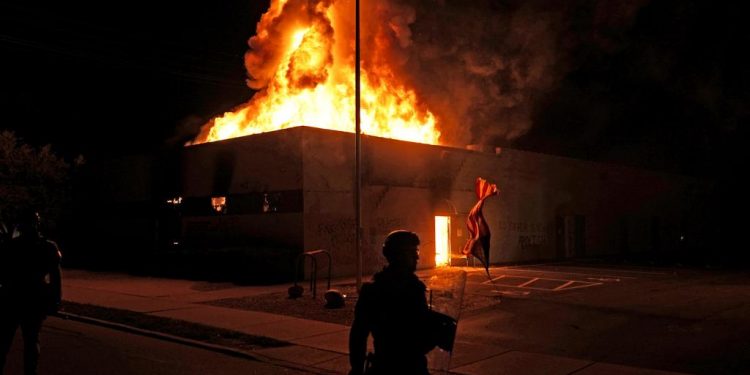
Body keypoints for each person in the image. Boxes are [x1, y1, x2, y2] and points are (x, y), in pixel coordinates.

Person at [349, 230, 434, 375]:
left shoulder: (414, 287)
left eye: (417, 251)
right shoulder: (377, 290)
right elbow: (359, 334)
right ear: (397, 255)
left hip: (405, 366)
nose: (416, 257)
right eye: (412, 252)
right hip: (392, 366)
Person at [0, 210, 62, 375]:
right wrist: (56, 299)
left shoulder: (10, 246)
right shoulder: (47, 247)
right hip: (31, 299)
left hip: (14, 299)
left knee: (9, 340)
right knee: (30, 340)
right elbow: (56, 277)